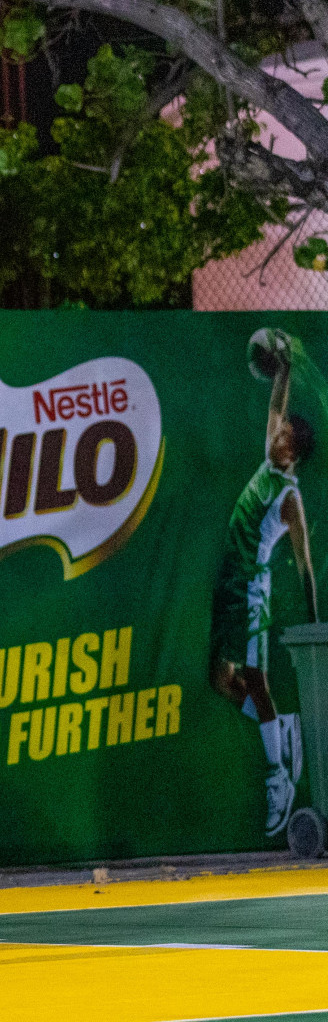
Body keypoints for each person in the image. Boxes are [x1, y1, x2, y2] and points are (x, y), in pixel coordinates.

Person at [211, 342, 316, 836]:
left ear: (294, 453)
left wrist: (315, 620)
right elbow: (276, 406)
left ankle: (279, 776)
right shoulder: (268, 462)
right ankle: (282, 727)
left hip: (254, 589)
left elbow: (304, 564)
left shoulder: (290, 498)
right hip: (232, 583)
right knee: (219, 678)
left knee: (254, 678)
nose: (277, 436)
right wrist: (286, 367)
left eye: (286, 437)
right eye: (279, 433)